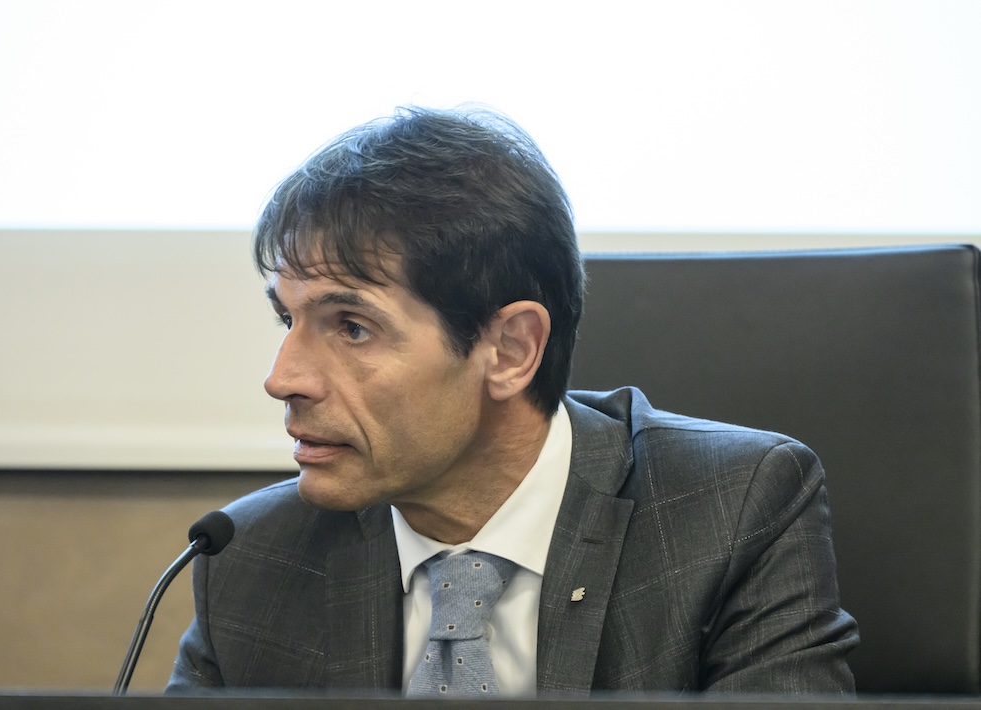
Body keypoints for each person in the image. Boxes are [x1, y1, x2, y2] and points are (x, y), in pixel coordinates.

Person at [167, 106, 858, 696]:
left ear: (510, 349)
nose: (284, 378)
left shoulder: (732, 511)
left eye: (352, 327)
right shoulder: (249, 557)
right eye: (288, 320)